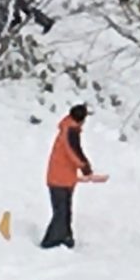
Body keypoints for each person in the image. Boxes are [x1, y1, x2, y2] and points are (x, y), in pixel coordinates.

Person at [40, 104, 93, 249]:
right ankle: (51, 241)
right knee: (61, 212)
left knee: (65, 210)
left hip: (63, 177)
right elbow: (73, 152)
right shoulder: (70, 131)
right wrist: (85, 167)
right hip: (59, 178)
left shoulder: (69, 128)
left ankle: (65, 237)